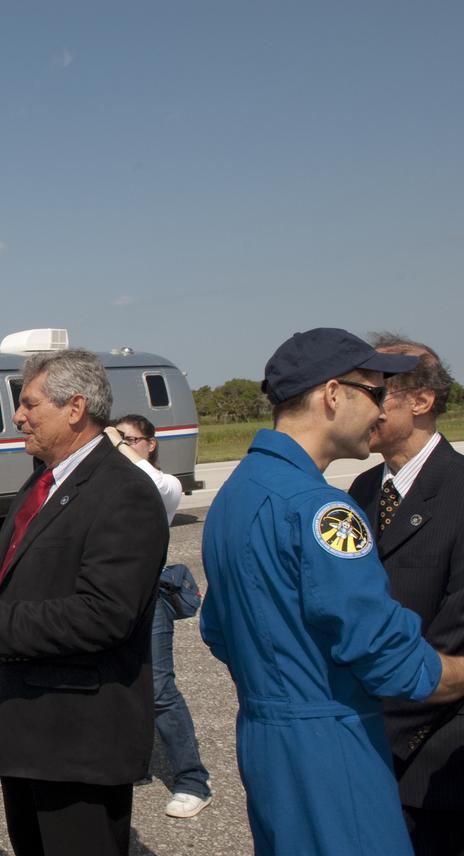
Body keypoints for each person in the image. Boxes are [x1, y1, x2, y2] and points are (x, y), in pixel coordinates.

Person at [200, 327, 464, 855]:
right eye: (373, 392)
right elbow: (391, 658)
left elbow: (218, 630)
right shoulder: (322, 508)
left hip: (268, 740)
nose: (380, 408)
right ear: (333, 394)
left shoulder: (238, 492)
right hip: (333, 747)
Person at [0, 348, 169, 856]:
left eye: (29, 403)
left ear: (75, 408)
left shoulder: (125, 493)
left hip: (77, 740)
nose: (17, 415)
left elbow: (105, 614)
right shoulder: (44, 479)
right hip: (30, 734)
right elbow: (10, 551)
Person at [347, 336, 464, 855]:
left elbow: (453, 635)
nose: (363, 407)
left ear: (422, 402)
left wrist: (371, 726)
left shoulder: (460, 492)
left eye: (378, 393)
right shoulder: (361, 492)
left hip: (432, 759)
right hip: (368, 748)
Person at [113, 413, 213, 819]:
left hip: (149, 597)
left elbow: (154, 487)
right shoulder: (112, 484)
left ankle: (193, 780)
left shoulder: (164, 483)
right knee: (118, 683)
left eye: (131, 440)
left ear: (150, 444)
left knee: (159, 689)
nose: (122, 447)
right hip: (111, 599)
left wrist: (118, 449)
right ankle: (130, 763)